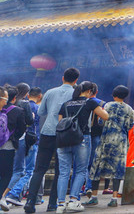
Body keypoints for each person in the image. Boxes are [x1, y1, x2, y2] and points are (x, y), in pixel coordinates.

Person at [23, 67, 80, 214]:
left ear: (62, 78)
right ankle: (53, 204)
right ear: (76, 81)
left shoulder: (50, 92)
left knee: (39, 169)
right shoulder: (76, 93)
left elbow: (41, 112)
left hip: (47, 132)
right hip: (65, 134)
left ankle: (30, 202)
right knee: (60, 170)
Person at [55, 81, 109, 213]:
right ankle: (73, 200)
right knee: (80, 170)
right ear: (89, 91)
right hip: (82, 139)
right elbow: (105, 116)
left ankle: (60, 204)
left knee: (63, 172)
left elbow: (61, 122)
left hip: (64, 140)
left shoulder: (65, 104)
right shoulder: (89, 102)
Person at [87, 86, 134, 208]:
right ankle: (114, 198)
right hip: (121, 141)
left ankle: (94, 197)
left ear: (113, 94)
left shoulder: (108, 106)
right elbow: (130, 125)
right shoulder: (129, 109)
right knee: (118, 169)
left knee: (97, 166)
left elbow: (101, 122)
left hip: (106, 139)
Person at [5, 87, 41, 207]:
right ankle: (12, 194)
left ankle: (11, 196)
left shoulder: (6, 107)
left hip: (10, 141)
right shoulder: (28, 106)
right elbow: (29, 122)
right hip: (27, 140)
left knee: (15, 170)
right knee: (28, 170)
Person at [1, 86, 27, 212]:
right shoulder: (18, 111)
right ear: (14, 98)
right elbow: (22, 128)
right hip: (8, 146)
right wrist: (13, 137)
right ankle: (1, 196)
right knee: (6, 173)